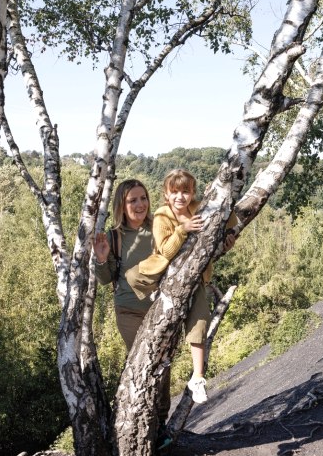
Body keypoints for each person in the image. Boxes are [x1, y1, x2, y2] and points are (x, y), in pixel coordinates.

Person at [127, 169, 236, 405]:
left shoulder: (199, 207)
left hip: (195, 277)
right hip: (168, 271)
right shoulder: (162, 216)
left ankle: (197, 378)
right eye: (174, 192)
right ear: (166, 194)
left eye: (185, 192)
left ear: (192, 193)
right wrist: (182, 229)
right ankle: (156, 291)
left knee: (199, 323)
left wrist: (228, 238)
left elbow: (231, 220)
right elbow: (165, 250)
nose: (180, 197)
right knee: (135, 277)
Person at [92, 179, 171, 449]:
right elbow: (106, 279)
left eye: (142, 198)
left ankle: (160, 425)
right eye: (132, 200)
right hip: (128, 310)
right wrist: (102, 259)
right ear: (122, 206)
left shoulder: (160, 228)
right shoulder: (114, 236)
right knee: (145, 362)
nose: (139, 205)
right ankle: (140, 425)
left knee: (163, 368)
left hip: (162, 309)